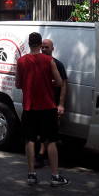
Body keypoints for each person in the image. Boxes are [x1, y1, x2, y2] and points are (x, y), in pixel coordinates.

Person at [15, 32, 68, 187]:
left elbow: (18, 84)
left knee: (30, 140)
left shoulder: (21, 61)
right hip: (47, 106)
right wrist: (48, 82)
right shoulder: (49, 60)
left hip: (29, 106)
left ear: (29, 44)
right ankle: (55, 176)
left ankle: (31, 174)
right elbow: (59, 82)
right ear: (40, 44)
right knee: (51, 141)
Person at [36, 38, 68, 171]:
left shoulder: (57, 64)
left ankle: (41, 156)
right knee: (41, 131)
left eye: (46, 47)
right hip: (38, 104)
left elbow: (64, 85)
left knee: (48, 131)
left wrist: (61, 104)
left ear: (52, 49)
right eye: (42, 47)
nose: (44, 49)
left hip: (52, 104)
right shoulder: (36, 63)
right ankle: (42, 156)